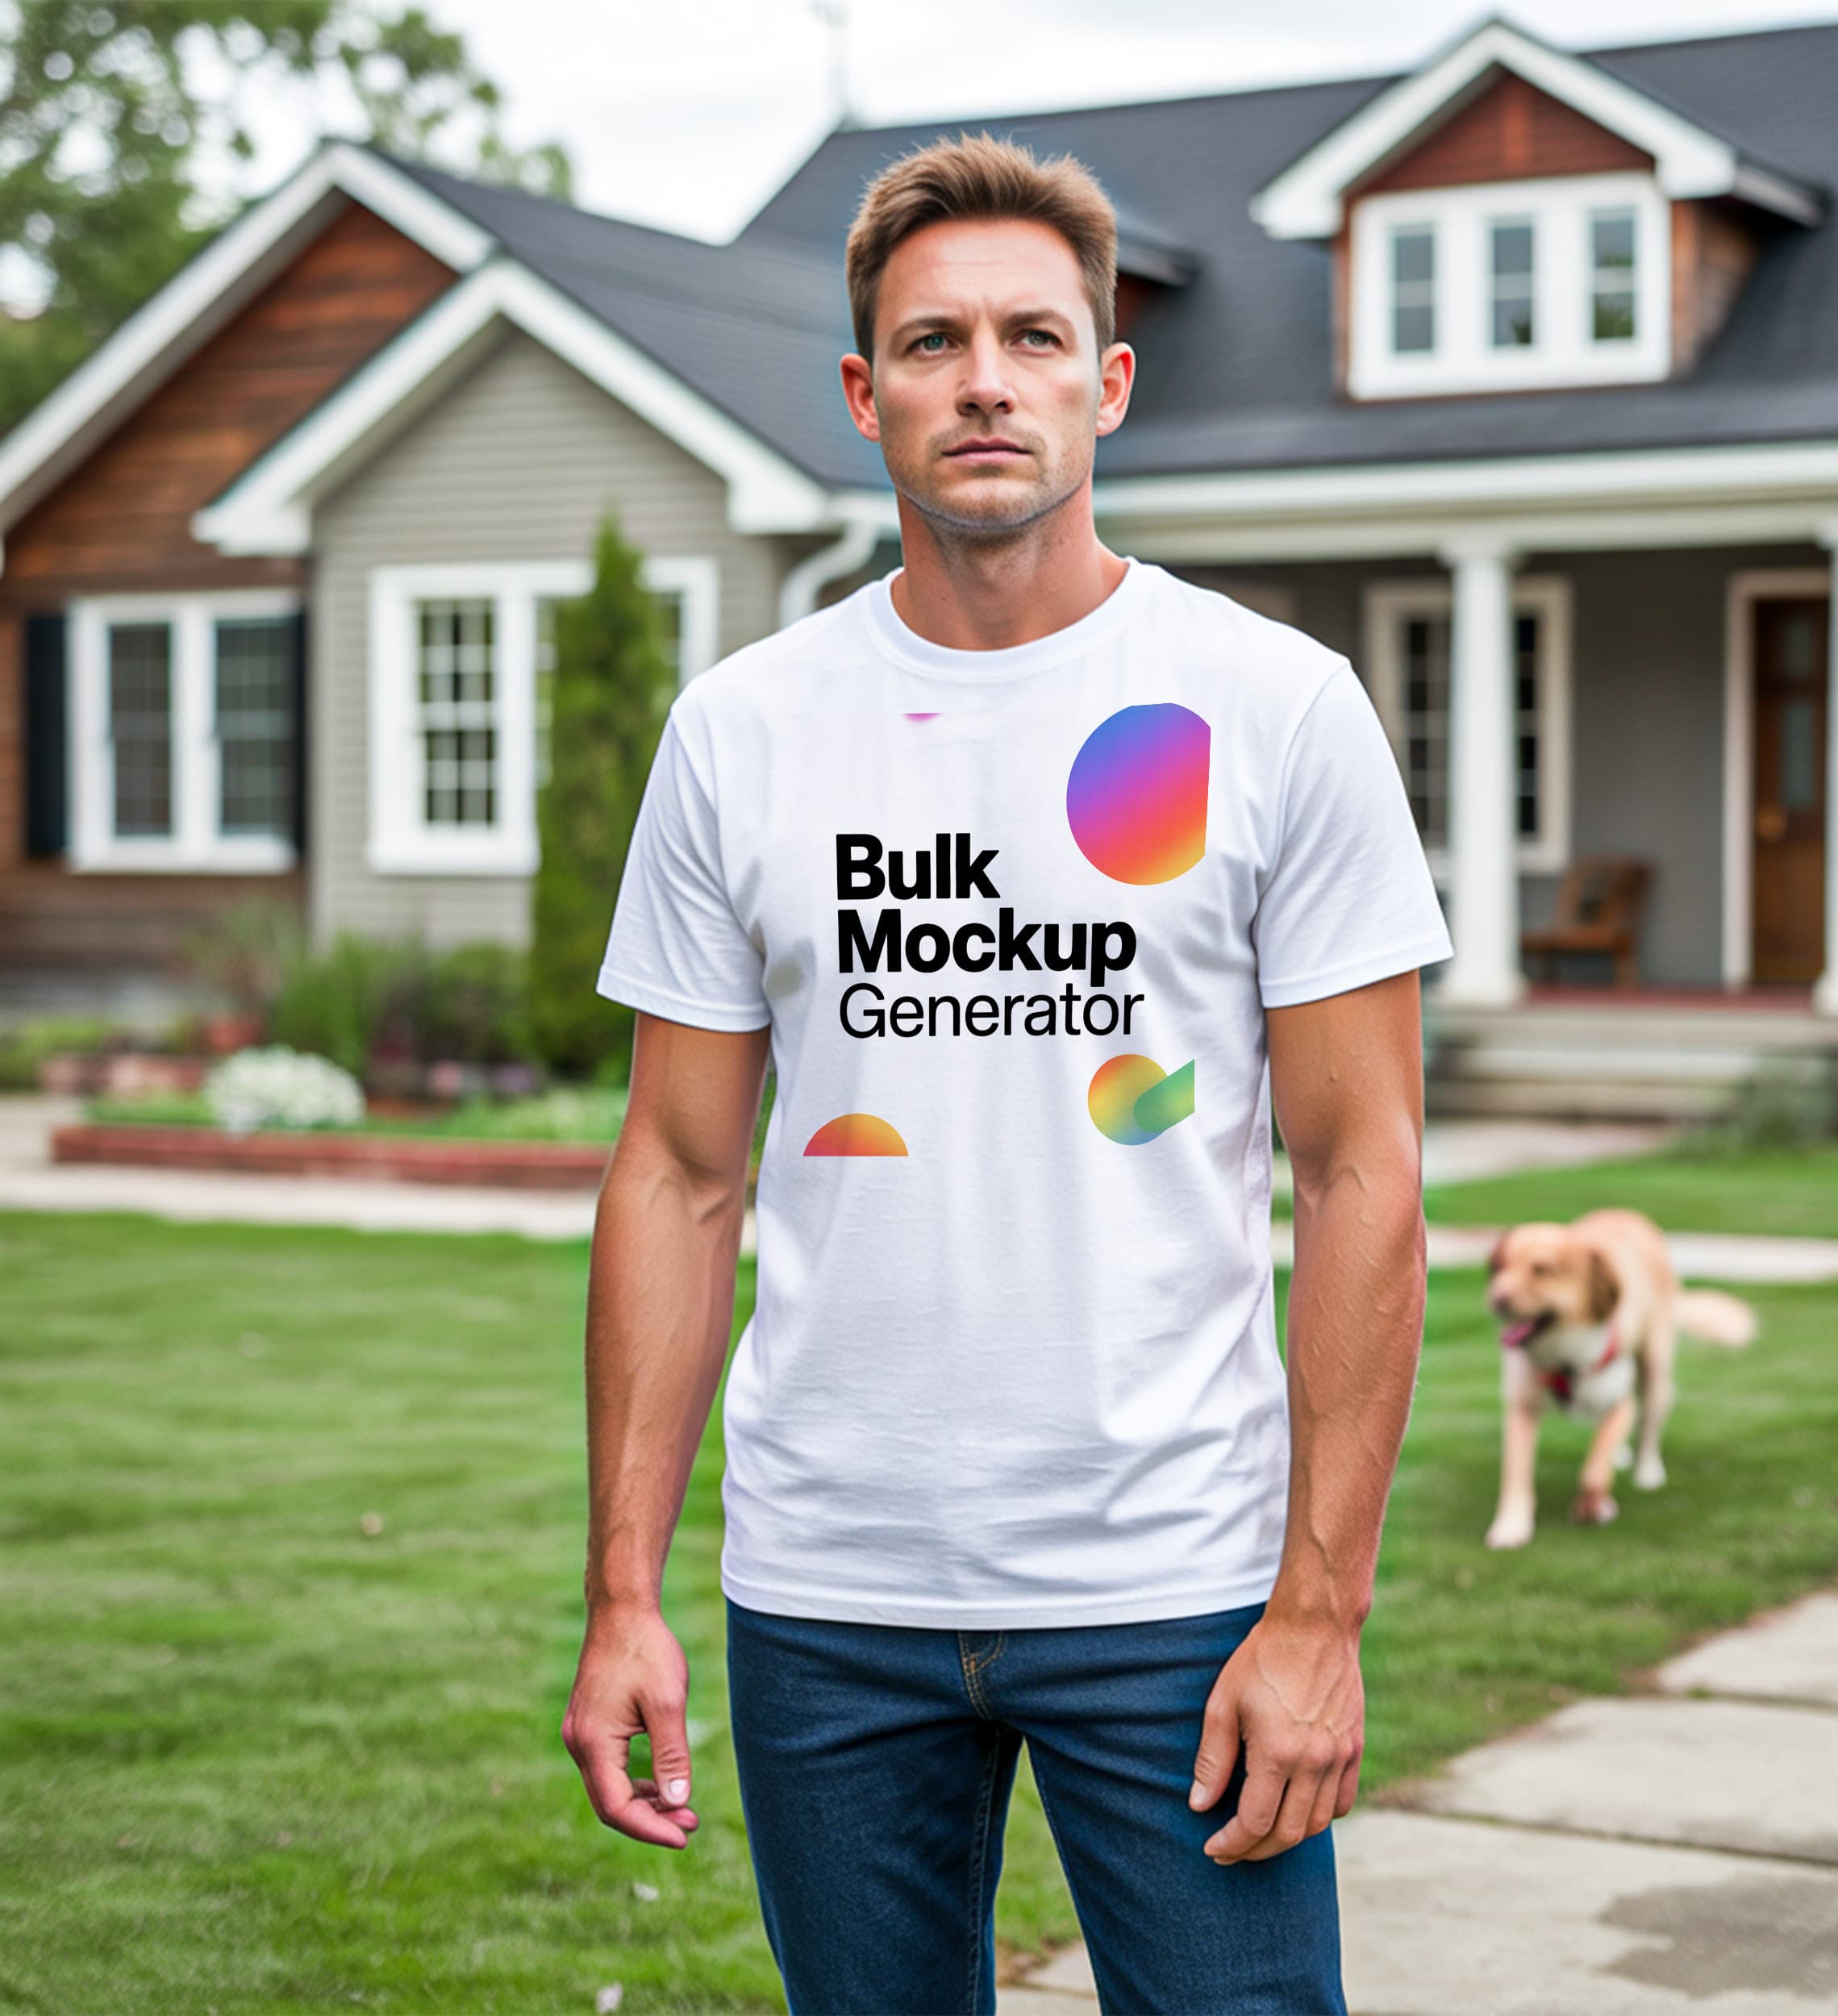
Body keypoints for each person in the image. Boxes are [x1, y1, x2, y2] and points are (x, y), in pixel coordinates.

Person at [561, 132, 1452, 2016]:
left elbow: (1361, 1175)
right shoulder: (740, 733)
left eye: (1033, 337)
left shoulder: (1271, 707)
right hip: (824, 1592)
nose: (983, 380)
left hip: (1175, 1583)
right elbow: (673, 1170)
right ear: (861, 390)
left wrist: (1319, 1612)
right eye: (933, 340)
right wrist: (623, 1590)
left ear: (1106, 382)